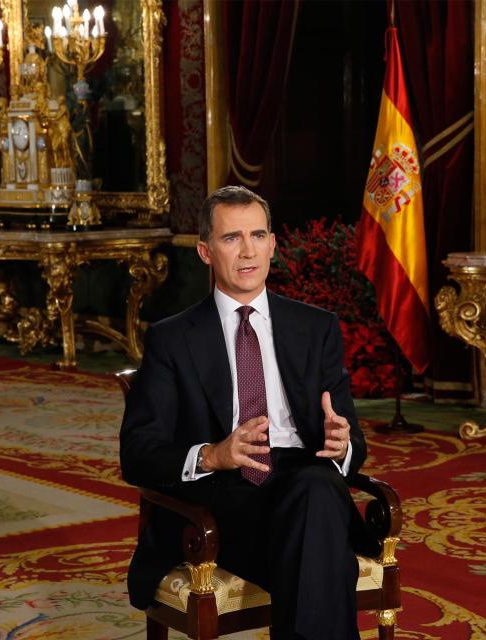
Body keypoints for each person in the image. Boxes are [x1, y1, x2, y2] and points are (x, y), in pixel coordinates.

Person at [120, 185, 377, 640]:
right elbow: (137, 452)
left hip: (303, 479)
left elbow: (351, 440)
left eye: (258, 236)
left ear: (273, 245)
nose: (247, 251)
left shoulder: (315, 329)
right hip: (223, 503)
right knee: (319, 537)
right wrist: (212, 456)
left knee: (316, 490)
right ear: (205, 251)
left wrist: (343, 447)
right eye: (230, 238)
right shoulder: (172, 338)